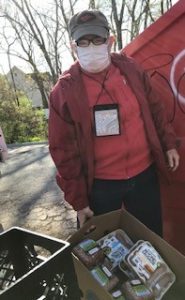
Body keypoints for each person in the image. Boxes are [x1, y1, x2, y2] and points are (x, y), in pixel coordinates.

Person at [48, 9, 180, 236]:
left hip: (144, 175)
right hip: (100, 186)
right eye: (84, 42)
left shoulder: (131, 69)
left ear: (110, 41)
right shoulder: (63, 91)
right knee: (103, 250)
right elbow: (63, 153)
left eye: (97, 40)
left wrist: (168, 143)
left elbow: (155, 108)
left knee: (151, 239)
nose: (91, 47)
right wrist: (79, 202)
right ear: (73, 47)